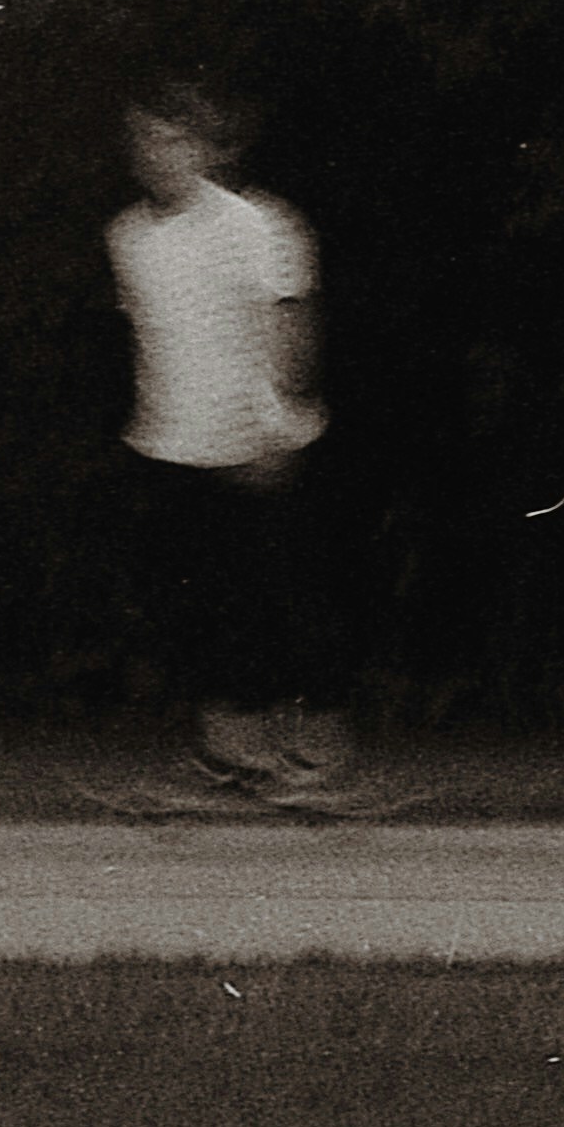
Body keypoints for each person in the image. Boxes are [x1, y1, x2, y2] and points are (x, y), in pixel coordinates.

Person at [106, 82, 362, 806]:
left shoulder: (255, 224)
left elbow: (289, 324)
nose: (157, 156)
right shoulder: (128, 235)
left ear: (206, 149)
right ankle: (232, 757)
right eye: (146, 142)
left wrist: (279, 421)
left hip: (253, 440)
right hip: (167, 443)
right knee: (193, 610)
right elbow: (152, 338)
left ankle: (315, 756)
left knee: (278, 604)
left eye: (173, 140)